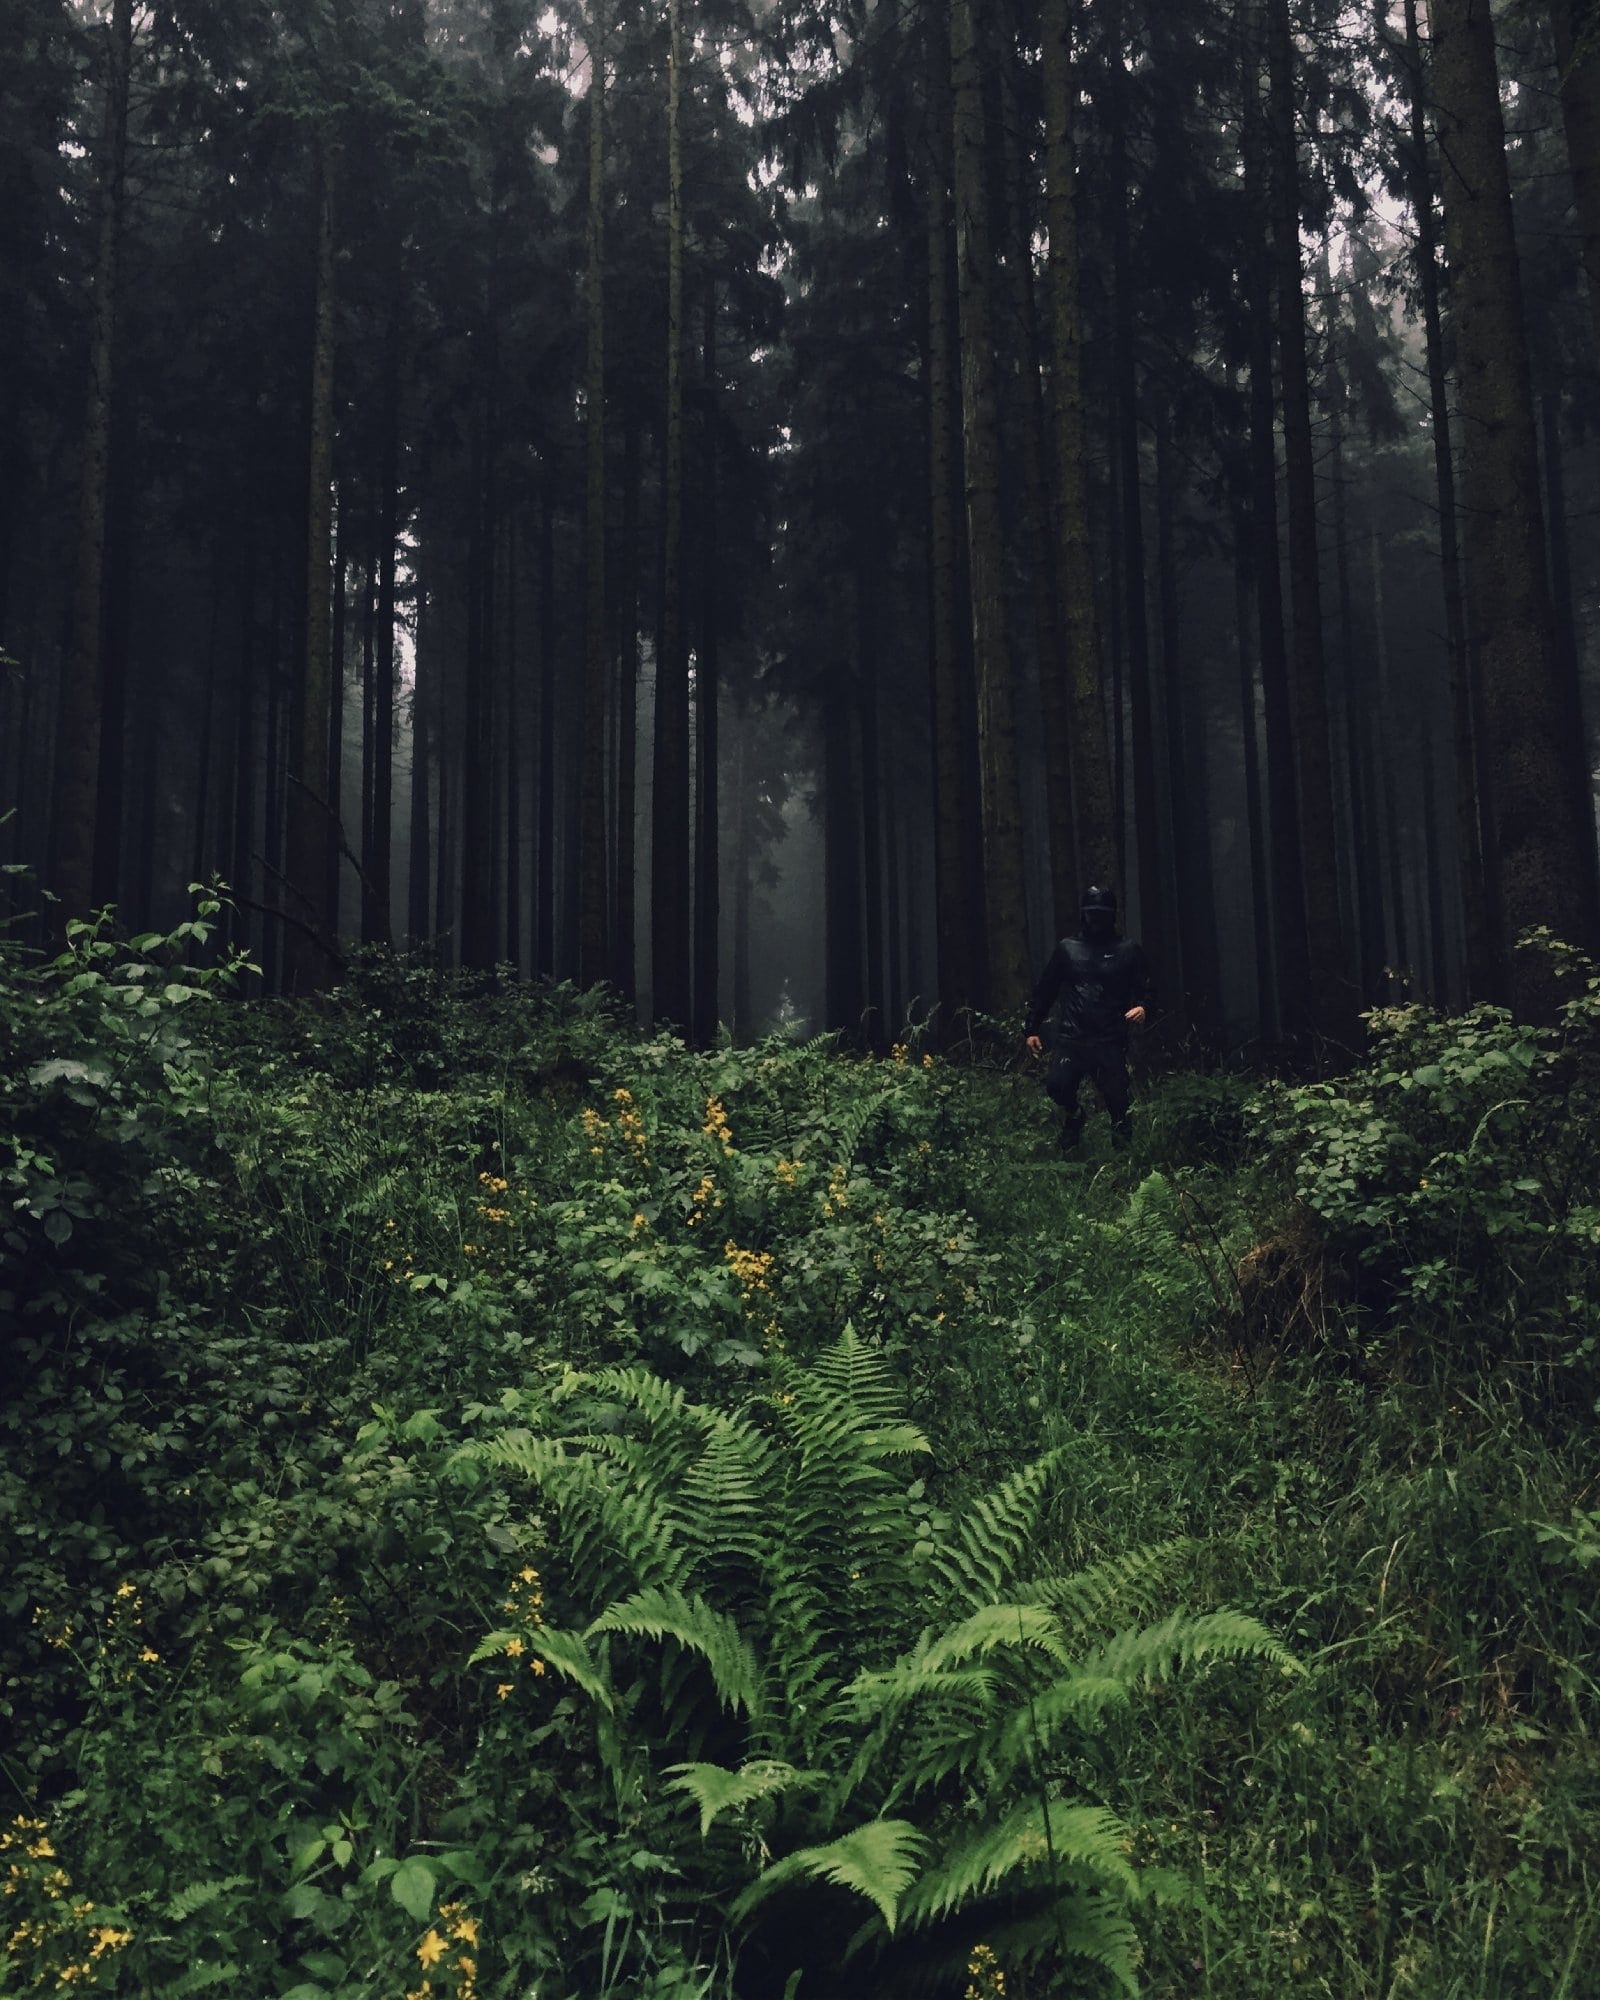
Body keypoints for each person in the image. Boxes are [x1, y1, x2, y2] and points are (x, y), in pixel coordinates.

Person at [1024, 884, 1149, 1150]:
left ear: (1111, 916)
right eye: (1092, 914)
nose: (1096, 921)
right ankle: (1075, 1117)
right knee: (1057, 1086)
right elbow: (1046, 989)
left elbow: (1146, 986)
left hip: (1109, 1038)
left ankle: (1125, 1161)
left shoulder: (1127, 950)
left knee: (1118, 1101)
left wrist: (1143, 1006)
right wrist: (1031, 1028)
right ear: (1084, 915)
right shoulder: (1068, 949)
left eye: (1101, 914)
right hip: (1073, 1037)